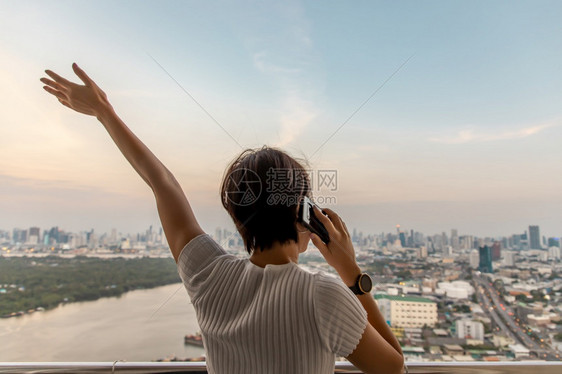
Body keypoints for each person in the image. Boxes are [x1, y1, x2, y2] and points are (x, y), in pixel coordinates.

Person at [40, 63, 404, 374]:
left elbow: (162, 184)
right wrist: (352, 275)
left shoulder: (208, 275)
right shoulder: (324, 295)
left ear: (238, 216)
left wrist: (105, 113)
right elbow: (395, 368)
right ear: (301, 213)